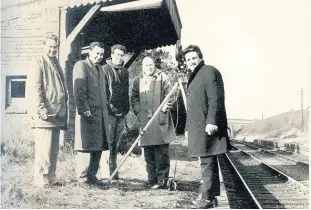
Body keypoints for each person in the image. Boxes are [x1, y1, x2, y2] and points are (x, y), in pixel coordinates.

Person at [181, 45, 231, 208]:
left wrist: (211, 121)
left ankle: (208, 199)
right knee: (207, 160)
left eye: (193, 58)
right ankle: (211, 196)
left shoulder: (208, 71)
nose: (191, 62)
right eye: (188, 60)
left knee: (207, 161)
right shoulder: (194, 75)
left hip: (206, 125)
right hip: (198, 125)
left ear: (200, 57)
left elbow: (214, 99)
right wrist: (188, 128)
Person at [27, 34, 68, 188]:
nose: (52, 49)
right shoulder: (38, 62)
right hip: (45, 115)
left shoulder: (56, 62)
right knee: (44, 150)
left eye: (55, 47)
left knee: (53, 150)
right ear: (44, 46)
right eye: (50, 46)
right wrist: (40, 109)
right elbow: (35, 89)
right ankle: (41, 180)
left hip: (56, 114)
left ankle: (51, 177)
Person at [131, 55, 176, 189]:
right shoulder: (137, 80)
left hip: (160, 120)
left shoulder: (163, 77)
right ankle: (152, 180)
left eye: (151, 65)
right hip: (145, 122)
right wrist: (139, 112)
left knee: (161, 152)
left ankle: (162, 181)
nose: (149, 67)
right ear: (142, 67)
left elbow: (172, 93)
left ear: (154, 65)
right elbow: (134, 98)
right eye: (146, 65)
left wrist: (166, 106)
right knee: (149, 153)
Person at [73, 42, 110, 185]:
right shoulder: (81, 65)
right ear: (90, 51)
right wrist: (84, 109)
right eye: (97, 53)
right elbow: (79, 89)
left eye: (101, 54)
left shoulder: (100, 69)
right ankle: (82, 178)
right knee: (86, 146)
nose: (99, 56)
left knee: (98, 146)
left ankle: (92, 176)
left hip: (100, 115)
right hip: (87, 113)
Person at [102, 44, 130, 180]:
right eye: (117, 55)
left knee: (116, 144)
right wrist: (108, 108)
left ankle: (114, 172)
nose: (119, 57)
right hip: (109, 112)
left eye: (122, 55)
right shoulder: (104, 70)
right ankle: (105, 173)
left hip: (121, 113)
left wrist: (126, 109)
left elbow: (126, 92)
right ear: (112, 55)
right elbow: (104, 92)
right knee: (108, 142)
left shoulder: (125, 72)